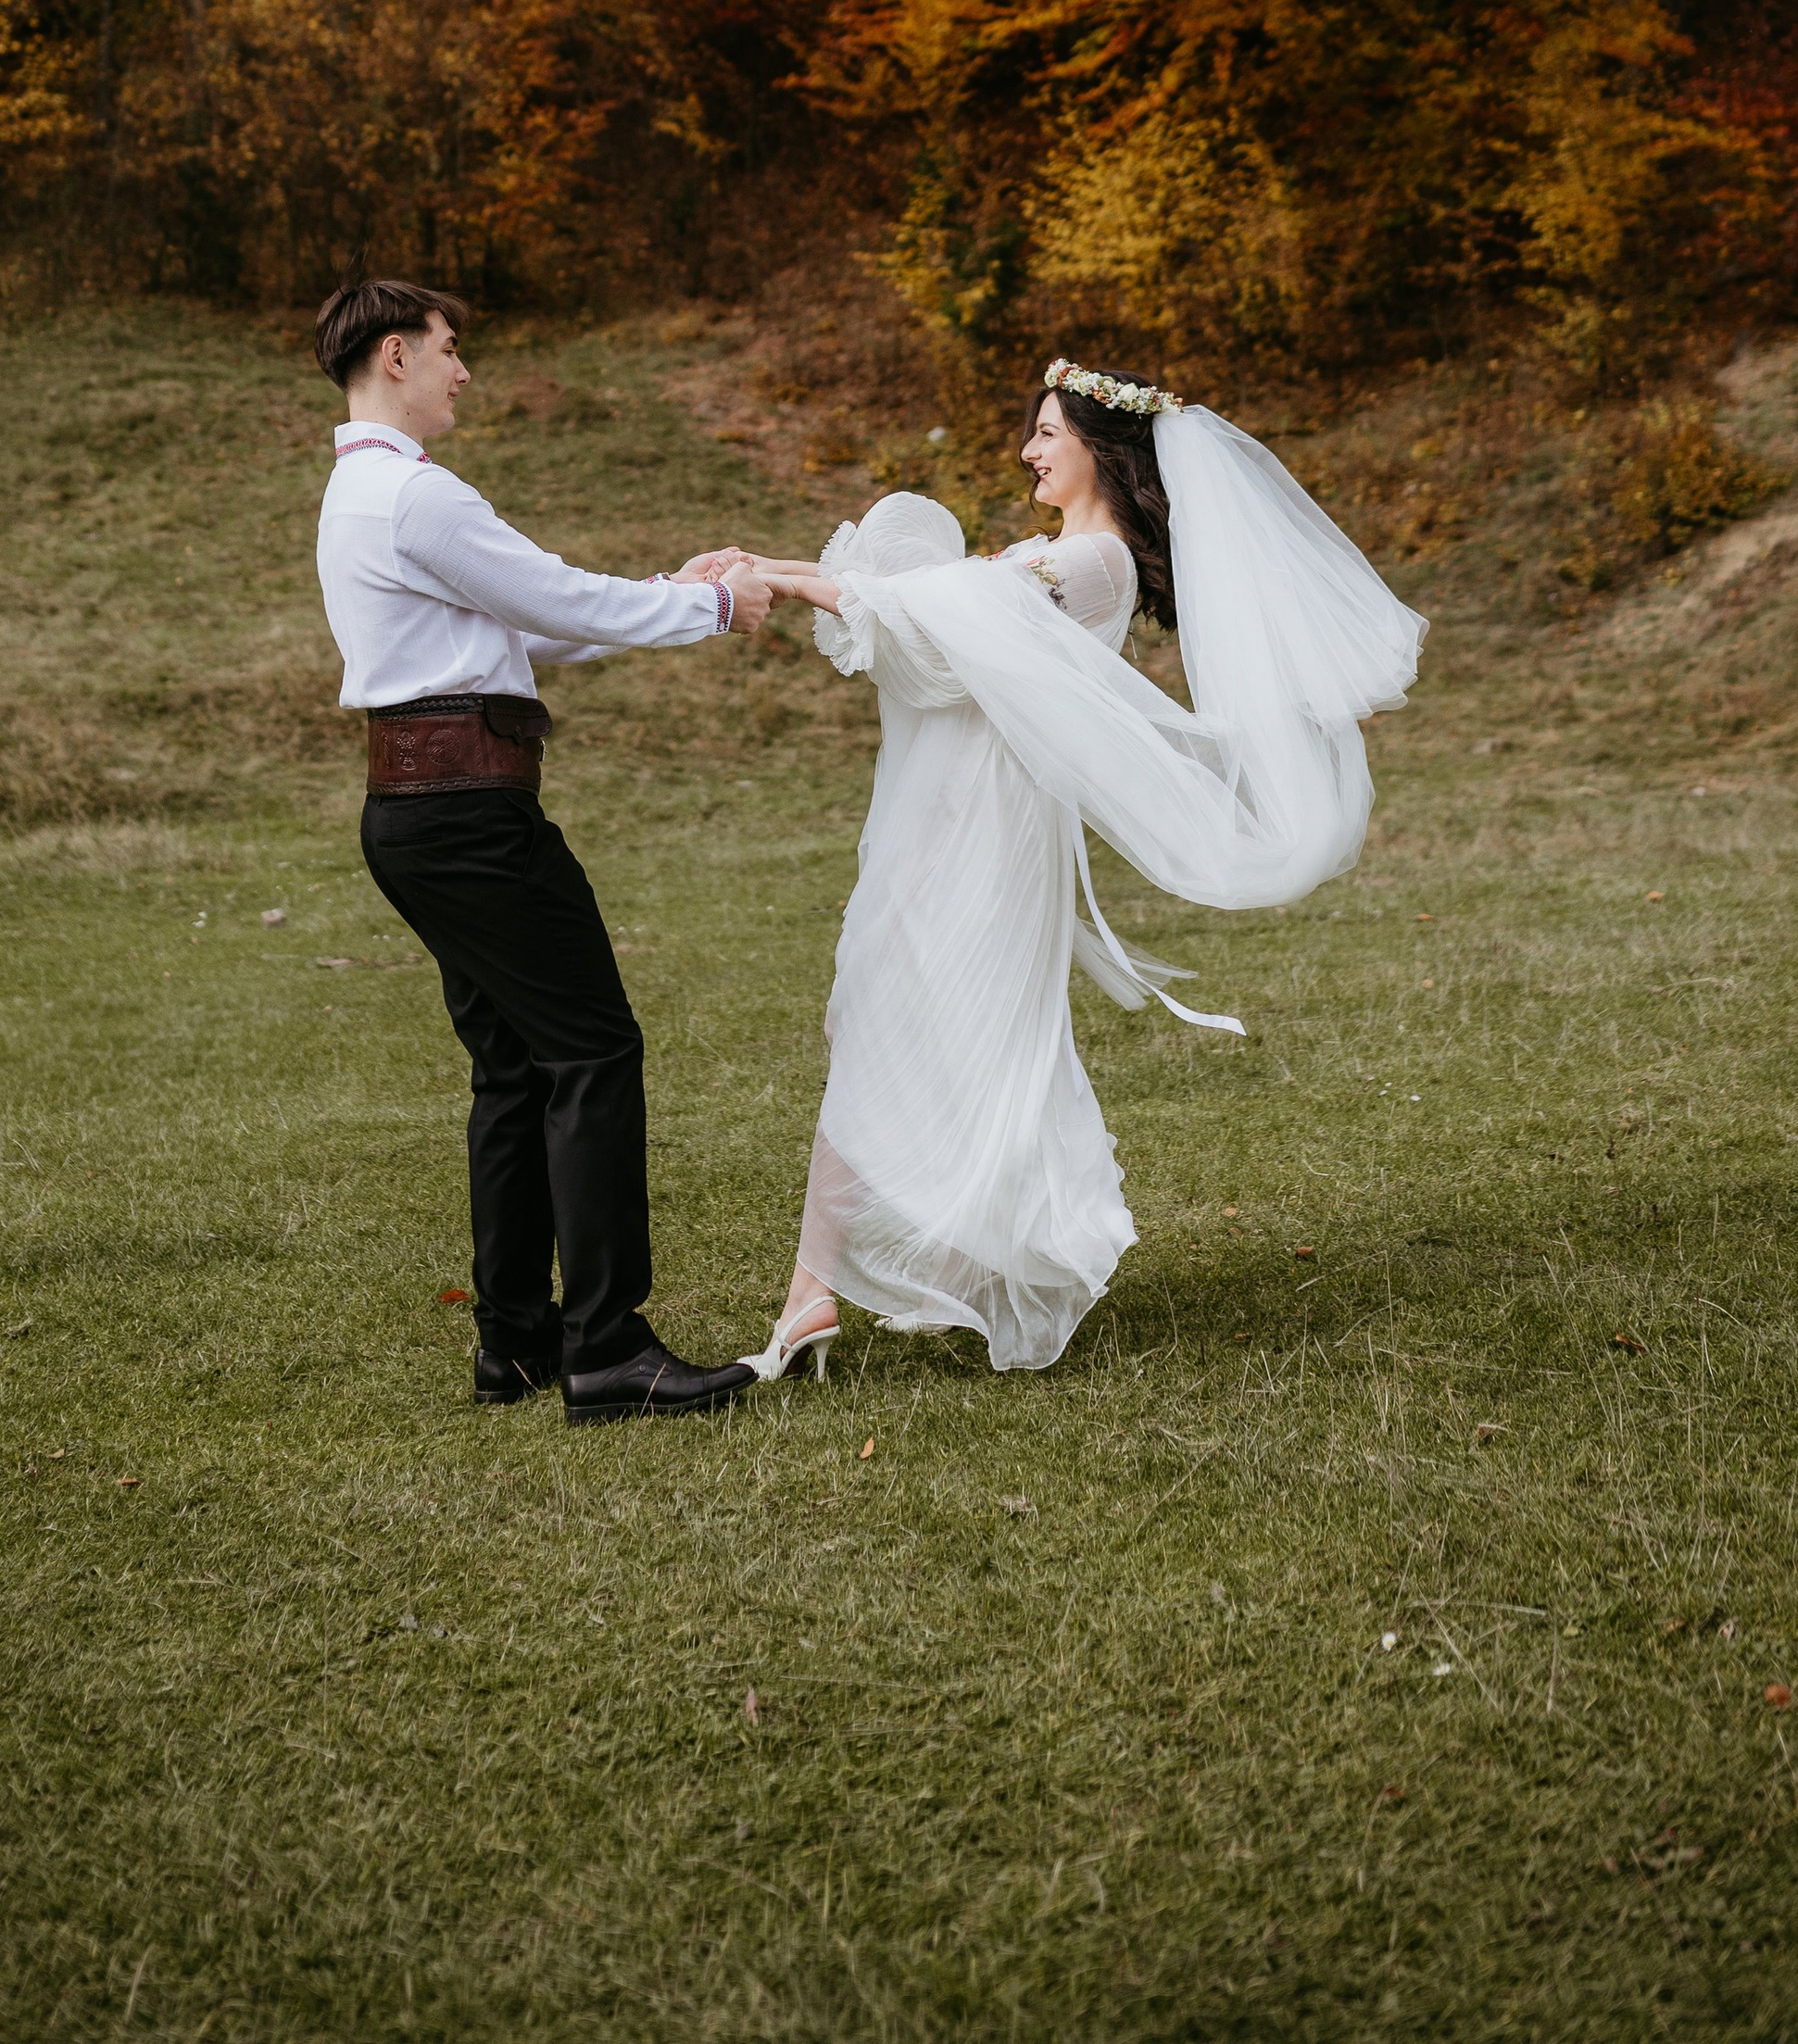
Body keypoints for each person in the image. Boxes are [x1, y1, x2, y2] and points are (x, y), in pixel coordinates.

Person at [724, 357, 1427, 1380]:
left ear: (1101, 446)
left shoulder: (1096, 564)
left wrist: (789, 580)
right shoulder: (1044, 555)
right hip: (949, 815)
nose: (1028, 450)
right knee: (881, 1019)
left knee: (900, 1023)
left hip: (988, 829)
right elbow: (921, 604)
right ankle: (879, 1279)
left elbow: (947, 615)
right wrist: (765, 563)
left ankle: (819, 1292)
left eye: (1049, 432)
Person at [313, 278, 776, 1425]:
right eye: (448, 348)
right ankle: (608, 1349)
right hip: (469, 816)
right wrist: (717, 610)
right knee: (591, 1048)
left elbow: (523, 623)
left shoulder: (359, 493)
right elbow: (562, 598)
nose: (463, 369)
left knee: (515, 1068)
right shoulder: (415, 496)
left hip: (421, 811)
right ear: (395, 355)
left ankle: (514, 1341)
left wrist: (673, 591)